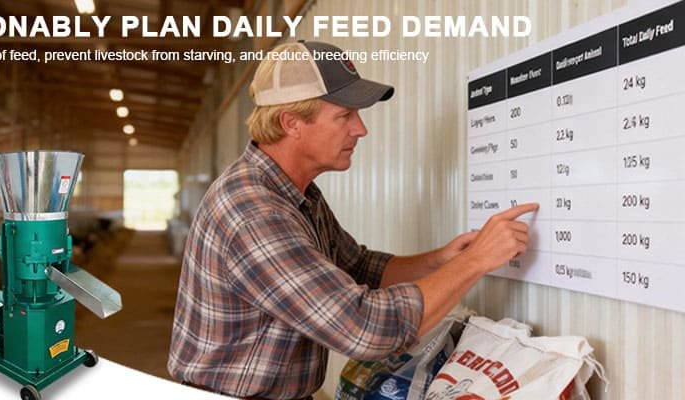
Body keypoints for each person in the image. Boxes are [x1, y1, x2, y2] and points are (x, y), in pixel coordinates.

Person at [168, 40, 538, 400]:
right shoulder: (254, 211)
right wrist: (477, 262)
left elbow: (360, 267)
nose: (360, 129)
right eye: (344, 115)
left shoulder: (295, 193)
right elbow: (365, 331)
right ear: (291, 123)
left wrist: (444, 258)